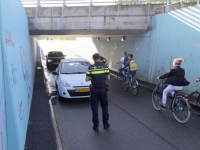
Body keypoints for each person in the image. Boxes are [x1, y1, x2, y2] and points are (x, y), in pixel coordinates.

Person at [86, 53, 110, 131]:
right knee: (104, 107)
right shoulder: (105, 67)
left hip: (94, 90)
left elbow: (87, 79)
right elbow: (108, 78)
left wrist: (91, 78)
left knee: (94, 108)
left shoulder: (91, 67)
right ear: (99, 58)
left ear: (93, 59)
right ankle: (105, 124)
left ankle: (96, 126)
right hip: (103, 89)